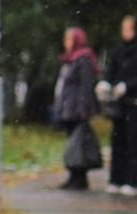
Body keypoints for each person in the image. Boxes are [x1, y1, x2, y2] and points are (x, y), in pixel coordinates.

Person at [97, 15, 137, 196]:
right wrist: (106, 83)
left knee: (134, 143)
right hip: (120, 104)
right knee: (118, 142)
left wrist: (127, 86)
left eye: (128, 28)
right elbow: (111, 70)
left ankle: (134, 181)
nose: (125, 32)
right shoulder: (118, 50)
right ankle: (116, 179)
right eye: (123, 28)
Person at [52, 27, 100, 190]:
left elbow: (86, 86)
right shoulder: (70, 60)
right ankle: (73, 176)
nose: (66, 43)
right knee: (73, 143)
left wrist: (83, 109)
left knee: (78, 144)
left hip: (77, 109)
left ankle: (79, 178)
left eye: (69, 39)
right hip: (68, 108)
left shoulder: (82, 59)